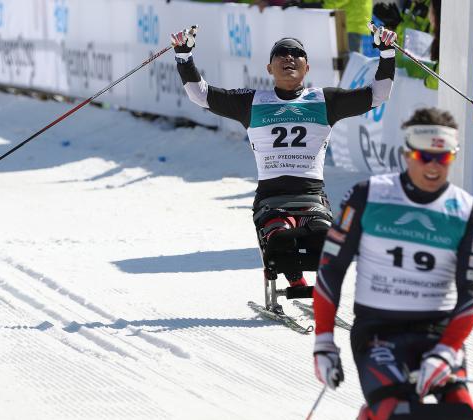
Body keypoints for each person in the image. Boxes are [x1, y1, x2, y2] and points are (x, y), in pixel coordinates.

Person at [311, 108, 473, 420]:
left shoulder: (470, 213)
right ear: (408, 153)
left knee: (464, 419)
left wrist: (447, 351)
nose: (434, 166)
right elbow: (331, 270)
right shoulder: (368, 196)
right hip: (379, 331)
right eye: (425, 157)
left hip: (436, 333)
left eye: (444, 157)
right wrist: (323, 340)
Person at [170, 25, 397, 291]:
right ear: (269, 68)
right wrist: (184, 56)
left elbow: (378, 94)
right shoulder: (252, 101)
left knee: (325, 242)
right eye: (281, 53)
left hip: (311, 196)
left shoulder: (325, 100)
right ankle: (292, 275)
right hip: (271, 197)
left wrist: (387, 54)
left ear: (307, 67)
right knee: (280, 239)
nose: (289, 57)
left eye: (296, 53)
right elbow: (201, 94)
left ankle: (310, 278)